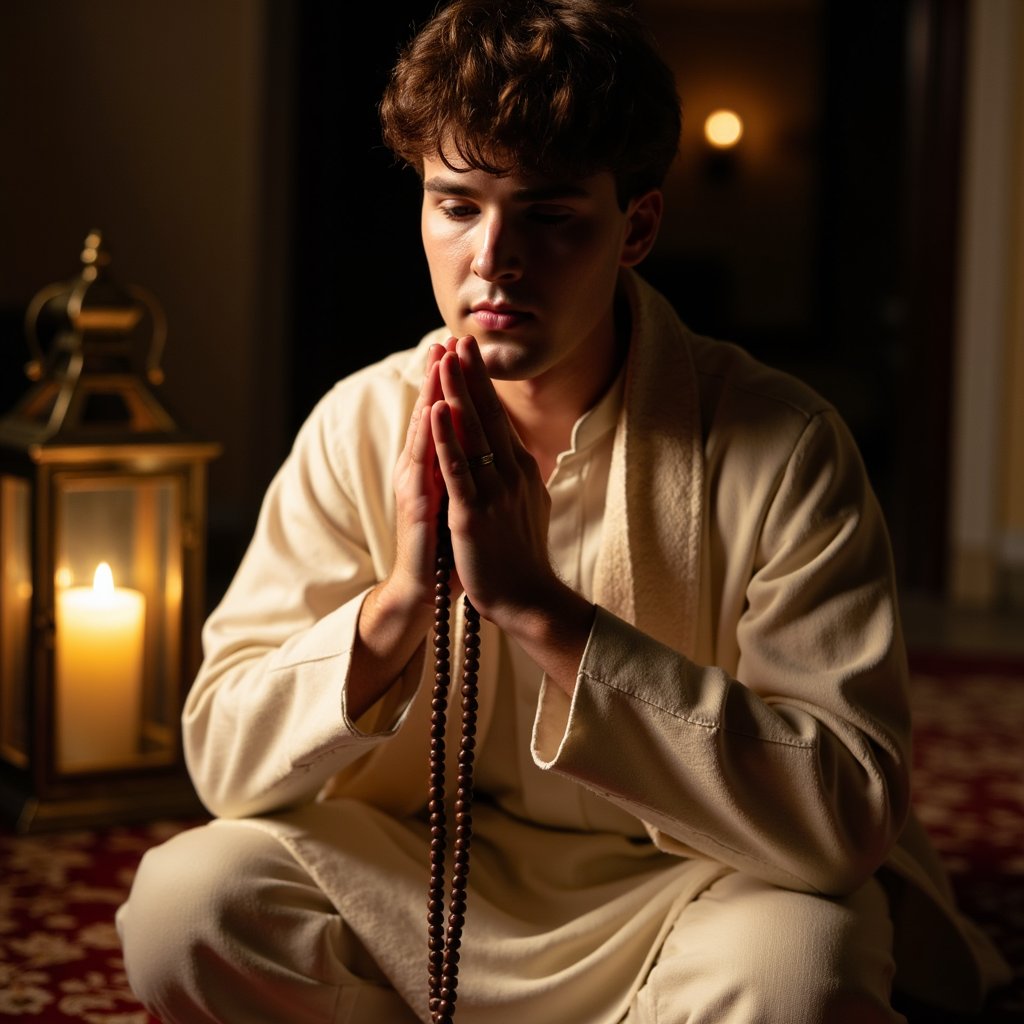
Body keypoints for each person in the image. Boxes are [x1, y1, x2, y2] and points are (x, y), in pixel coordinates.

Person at [116, 1, 1010, 1021]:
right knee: (187, 904)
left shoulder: (786, 441)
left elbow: (846, 814)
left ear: (635, 227)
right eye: (456, 204)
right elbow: (225, 762)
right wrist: (402, 603)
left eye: (547, 216)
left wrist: (543, 610)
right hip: (427, 869)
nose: (492, 259)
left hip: (695, 889)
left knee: (798, 978)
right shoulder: (360, 422)